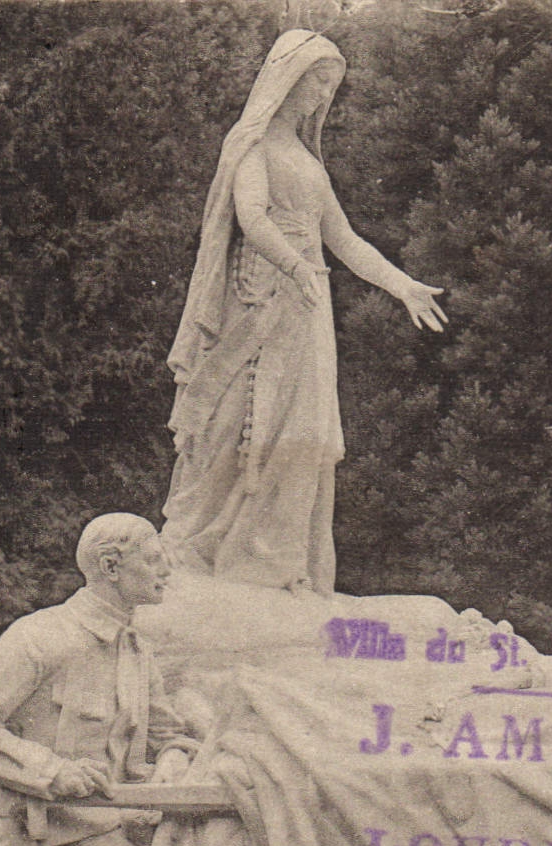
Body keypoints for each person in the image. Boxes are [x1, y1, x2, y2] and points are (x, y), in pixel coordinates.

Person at [162, 31, 446, 591]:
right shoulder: (253, 146)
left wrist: (401, 284)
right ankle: (220, 550)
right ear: (286, 77)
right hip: (260, 299)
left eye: (331, 83)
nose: (323, 92)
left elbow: (343, 238)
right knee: (241, 425)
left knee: (308, 434)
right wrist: (294, 266)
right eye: (317, 78)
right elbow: (252, 216)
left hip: (306, 308)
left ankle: (279, 563)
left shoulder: (309, 163)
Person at [0, 514, 200, 846]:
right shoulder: (40, 637)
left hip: (114, 823)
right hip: (47, 832)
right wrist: (51, 770)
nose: (166, 570)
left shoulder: (137, 650)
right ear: (111, 567)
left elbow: (169, 735)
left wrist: (172, 762)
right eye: (154, 560)